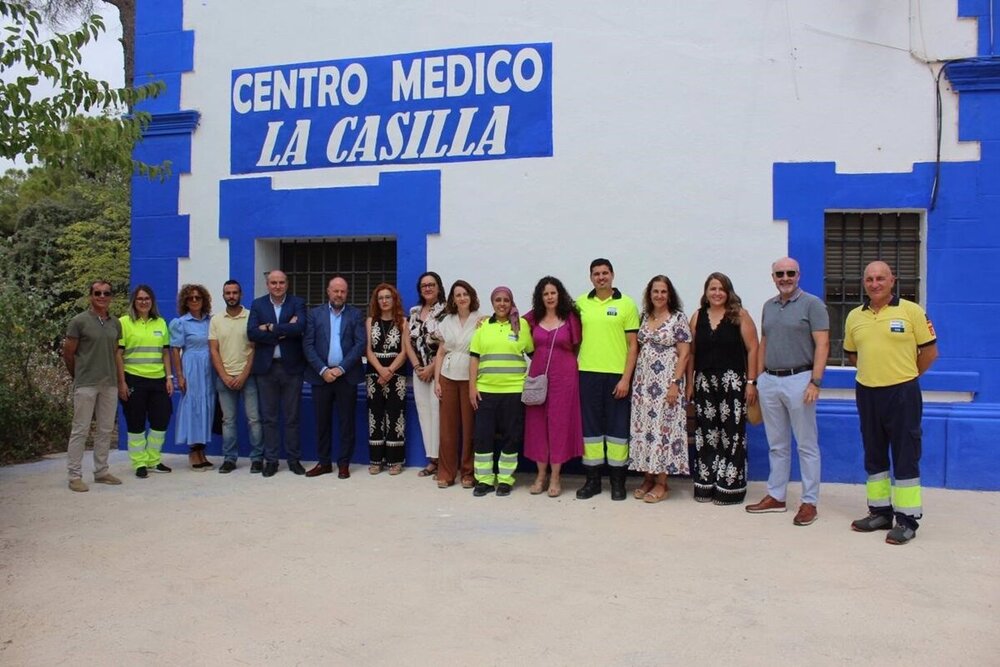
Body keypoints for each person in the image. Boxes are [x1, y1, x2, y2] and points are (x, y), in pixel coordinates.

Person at [844, 261, 937, 545]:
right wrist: (876, 374)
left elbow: (930, 352)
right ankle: (880, 512)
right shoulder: (854, 316)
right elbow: (852, 355)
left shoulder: (912, 311)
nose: (875, 283)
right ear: (864, 283)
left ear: (892, 281)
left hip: (902, 393)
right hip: (868, 392)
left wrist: (904, 376)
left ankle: (907, 520)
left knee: (905, 454)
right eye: (869, 279)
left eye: (880, 278)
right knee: (874, 453)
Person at [746, 258, 829, 526]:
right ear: (773, 277)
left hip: (800, 379)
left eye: (790, 273)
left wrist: (815, 381)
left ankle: (809, 502)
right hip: (771, 380)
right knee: (777, 444)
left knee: (806, 444)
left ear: (798, 275)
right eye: (779, 274)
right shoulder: (768, 306)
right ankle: (776, 496)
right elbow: (764, 342)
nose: (785, 278)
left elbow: (823, 344)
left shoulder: (812, 304)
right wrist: (758, 380)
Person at [687, 272, 758, 505]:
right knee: (707, 433)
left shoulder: (740, 316)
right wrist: (690, 383)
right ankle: (707, 481)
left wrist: (751, 382)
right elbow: (691, 353)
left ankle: (731, 485)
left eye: (721, 289)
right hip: (704, 382)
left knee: (732, 433)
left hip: (732, 382)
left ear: (728, 292)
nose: (717, 293)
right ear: (706, 292)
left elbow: (753, 349)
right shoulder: (697, 317)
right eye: (712, 289)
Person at [575, 258, 640, 501]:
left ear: (612, 275)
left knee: (617, 430)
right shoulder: (580, 303)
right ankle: (592, 481)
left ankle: (617, 482)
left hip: (616, 376)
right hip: (587, 374)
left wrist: (626, 379)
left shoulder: (627, 304)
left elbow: (633, 346)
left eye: (605, 273)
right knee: (590, 430)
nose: (601, 277)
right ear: (590, 277)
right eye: (596, 274)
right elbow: (549, 314)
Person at [628, 275, 691, 503]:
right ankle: (647, 477)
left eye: (664, 291)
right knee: (645, 430)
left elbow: (684, 354)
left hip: (666, 384)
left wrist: (675, 384)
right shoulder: (644, 317)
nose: (659, 295)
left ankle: (662, 482)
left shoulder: (678, 318)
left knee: (662, 431)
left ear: (669, 294)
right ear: (650, 294)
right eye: (655, 291)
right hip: (643, 385)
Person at [468, 286, 534, 497]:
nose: (502, 303)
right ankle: (485, 480)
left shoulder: (521, 325)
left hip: (514, 391)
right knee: (483, 436)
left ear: (511, 302)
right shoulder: (483, 327)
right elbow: (474, 358)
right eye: (498, 300)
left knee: (511, 436)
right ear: (492, 303)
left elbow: (535, 355)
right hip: (485, 391)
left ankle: (505, 479)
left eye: (506, 300)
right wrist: (472, 387)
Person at [523, 276, 583, 498]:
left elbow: (577, 345)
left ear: (560, 294)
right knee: (537, 423)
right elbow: (511, 322)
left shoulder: (570, 318)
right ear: (540, 297)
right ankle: (540, 475)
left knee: (559, 424)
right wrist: (484, 319)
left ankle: (556, 476)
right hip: (538, 374)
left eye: (553, 293)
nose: (549, 297)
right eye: (545, 293)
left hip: (565, 376)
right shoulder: (532, 318)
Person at [62, 280, 124, 491]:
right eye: (97, 293)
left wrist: (120, 380)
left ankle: (101, 471)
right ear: (90, 296)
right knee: (80, 429)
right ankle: (74, 476)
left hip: (109, 383)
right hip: (86, 383)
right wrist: (77, 375)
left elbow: (116, 353)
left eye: (106, 293)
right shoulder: (79, 321)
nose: (102, 296)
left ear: (111, 297)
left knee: (106, 429)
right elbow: (68, 352)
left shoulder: (115, 323)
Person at [302, 275, 366, 479]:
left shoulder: (356, 314)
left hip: (346, 376)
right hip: (321, 377)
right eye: (335, 290)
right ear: (328, 292)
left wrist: (340, 368)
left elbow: (360, 344)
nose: (339, 294)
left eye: (343, 291)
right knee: (322, 422)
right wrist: (323, 370)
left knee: (347, 422)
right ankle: (324, 462)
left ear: (347, 293)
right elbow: (308, 345)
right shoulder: (314, 314)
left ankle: (344, 463)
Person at [247, 270, 307, 477]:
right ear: (267, 285)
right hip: (266, 368)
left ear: (287, 284)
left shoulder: (297, 303)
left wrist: (270, 327)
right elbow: (252, 332)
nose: (278, 286)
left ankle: (293, 459)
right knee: (269, 418)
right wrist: (282, 330)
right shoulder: (258, 304)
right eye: (273, 283)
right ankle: (271, 460)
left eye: (281, 282)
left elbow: (300, 327)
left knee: (292, 417)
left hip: (291, 368)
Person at [117, 285, 174, 478]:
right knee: (136, 423)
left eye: (147, 298)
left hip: (157, 380)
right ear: (134, 301)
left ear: (152, 301)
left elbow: (165, 352)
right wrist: (121, 382)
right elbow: (118, 354)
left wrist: (168, 377)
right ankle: (139, 462)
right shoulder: (124, 323)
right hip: (133, 378)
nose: (144, 302)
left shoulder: (160, 323)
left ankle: (153, 459)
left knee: (161, 420)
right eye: (140, 298)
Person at [208, 280, 262, 473]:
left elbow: (254, 348)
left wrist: (244, 374)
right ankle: (229, 458)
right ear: (223, 295)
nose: (231, 296)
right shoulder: (216, 320)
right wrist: (224, 375)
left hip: (248, 377)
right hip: (224, 378)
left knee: (254, 419)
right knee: (228, 421)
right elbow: (213, 350)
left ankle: (257, 458)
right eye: (228, 293)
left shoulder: (251, 317)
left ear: (241, 294)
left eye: (235, 293)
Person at [433, 280, 481, 489]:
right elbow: (441, 352)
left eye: (465, 294)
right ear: (453, 299)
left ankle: (468, 472)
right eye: (457, 295)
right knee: (448, 428)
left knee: (470, 427)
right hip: (448, 376)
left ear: (471, 296)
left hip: (470, 378)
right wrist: (437, 380)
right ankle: (446, 472)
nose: (461, 298)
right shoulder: (447, 321)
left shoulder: (481, 320)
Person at [170, 284, 216, 470]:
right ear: (185, 302)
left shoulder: (210, 322)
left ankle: (202, 450)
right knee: (193, 408)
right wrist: (179, 375)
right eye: (191, 298)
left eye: (198, 297)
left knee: (207, 407)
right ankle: (193, 452)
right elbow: (175, 350)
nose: (195, 301)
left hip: (209, 369)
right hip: (191, 367)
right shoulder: (180, 323)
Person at [365, 283, 409, 475]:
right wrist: (380, 370)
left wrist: (389, 370)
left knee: (395, 415)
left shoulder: (403, 322)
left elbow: (405, 351)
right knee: (375, 415)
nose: (384, 301)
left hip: (396, 373)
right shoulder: (370, 322)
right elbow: (367, 349)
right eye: (381, 298)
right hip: (374, 373)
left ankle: (395, 460)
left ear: (394, 300)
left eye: (387, 297)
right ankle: (376, 460)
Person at [406, 271, 446, 478]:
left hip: (439, 370)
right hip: (418, 370)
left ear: (438, 287)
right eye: (424, 286)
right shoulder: (414, 312)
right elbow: (407, 341)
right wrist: (417, 366)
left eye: (431, 284)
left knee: (438, 413)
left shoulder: (447, 312)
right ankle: (431, 460)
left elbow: (446, 342)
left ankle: (442, 460)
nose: (428, 288)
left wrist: (431, 368)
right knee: (424, 413)